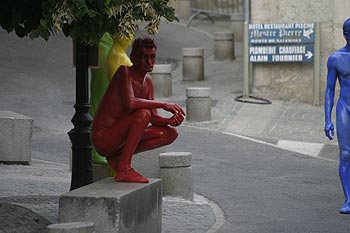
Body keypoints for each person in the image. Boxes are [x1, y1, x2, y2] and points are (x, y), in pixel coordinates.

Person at [91, 36, 185, 183]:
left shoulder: (148, 81)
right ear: (133, 57)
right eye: (144, 57)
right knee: (142, 113)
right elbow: (131, 103)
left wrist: (170, 121)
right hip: (104, 138)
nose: (149, 62)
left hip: (119, 139)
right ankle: (124, 168)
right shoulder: (124, 72)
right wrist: (163, 104)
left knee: (170, 133)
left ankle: (119, 157)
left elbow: (153, 117)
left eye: (152, 57)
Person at [90, 33, 133, 165]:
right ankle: (98, 149)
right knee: (103, 95)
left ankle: (103, 148)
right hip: (103, 41)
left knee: (103, 96)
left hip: (107, 41)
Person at [324, 18, 350, 214]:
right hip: (345, 107)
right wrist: (327, 119)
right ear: (346, 34)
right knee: (346, 154)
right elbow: (329, 91)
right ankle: (349, 199)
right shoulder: (335, 59)